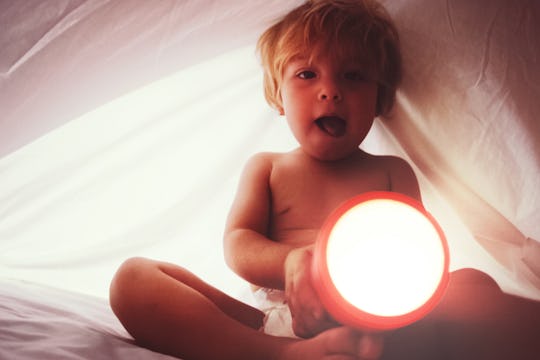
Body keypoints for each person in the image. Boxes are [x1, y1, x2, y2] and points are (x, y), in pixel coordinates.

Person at [109, 1, 540, 359]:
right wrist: (293, 261)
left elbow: (420, 255)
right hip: (283, 321)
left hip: (381, 318)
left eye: (352, 76)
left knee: (475, 285)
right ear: (278, 94)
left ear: (380, 98)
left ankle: (372, 346)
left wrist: (403, 293)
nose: (330, 91)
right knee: (134, 279)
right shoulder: (269, 167)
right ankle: (277, 356)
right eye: (307, 74)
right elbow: (238, 243)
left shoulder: (392, 171)